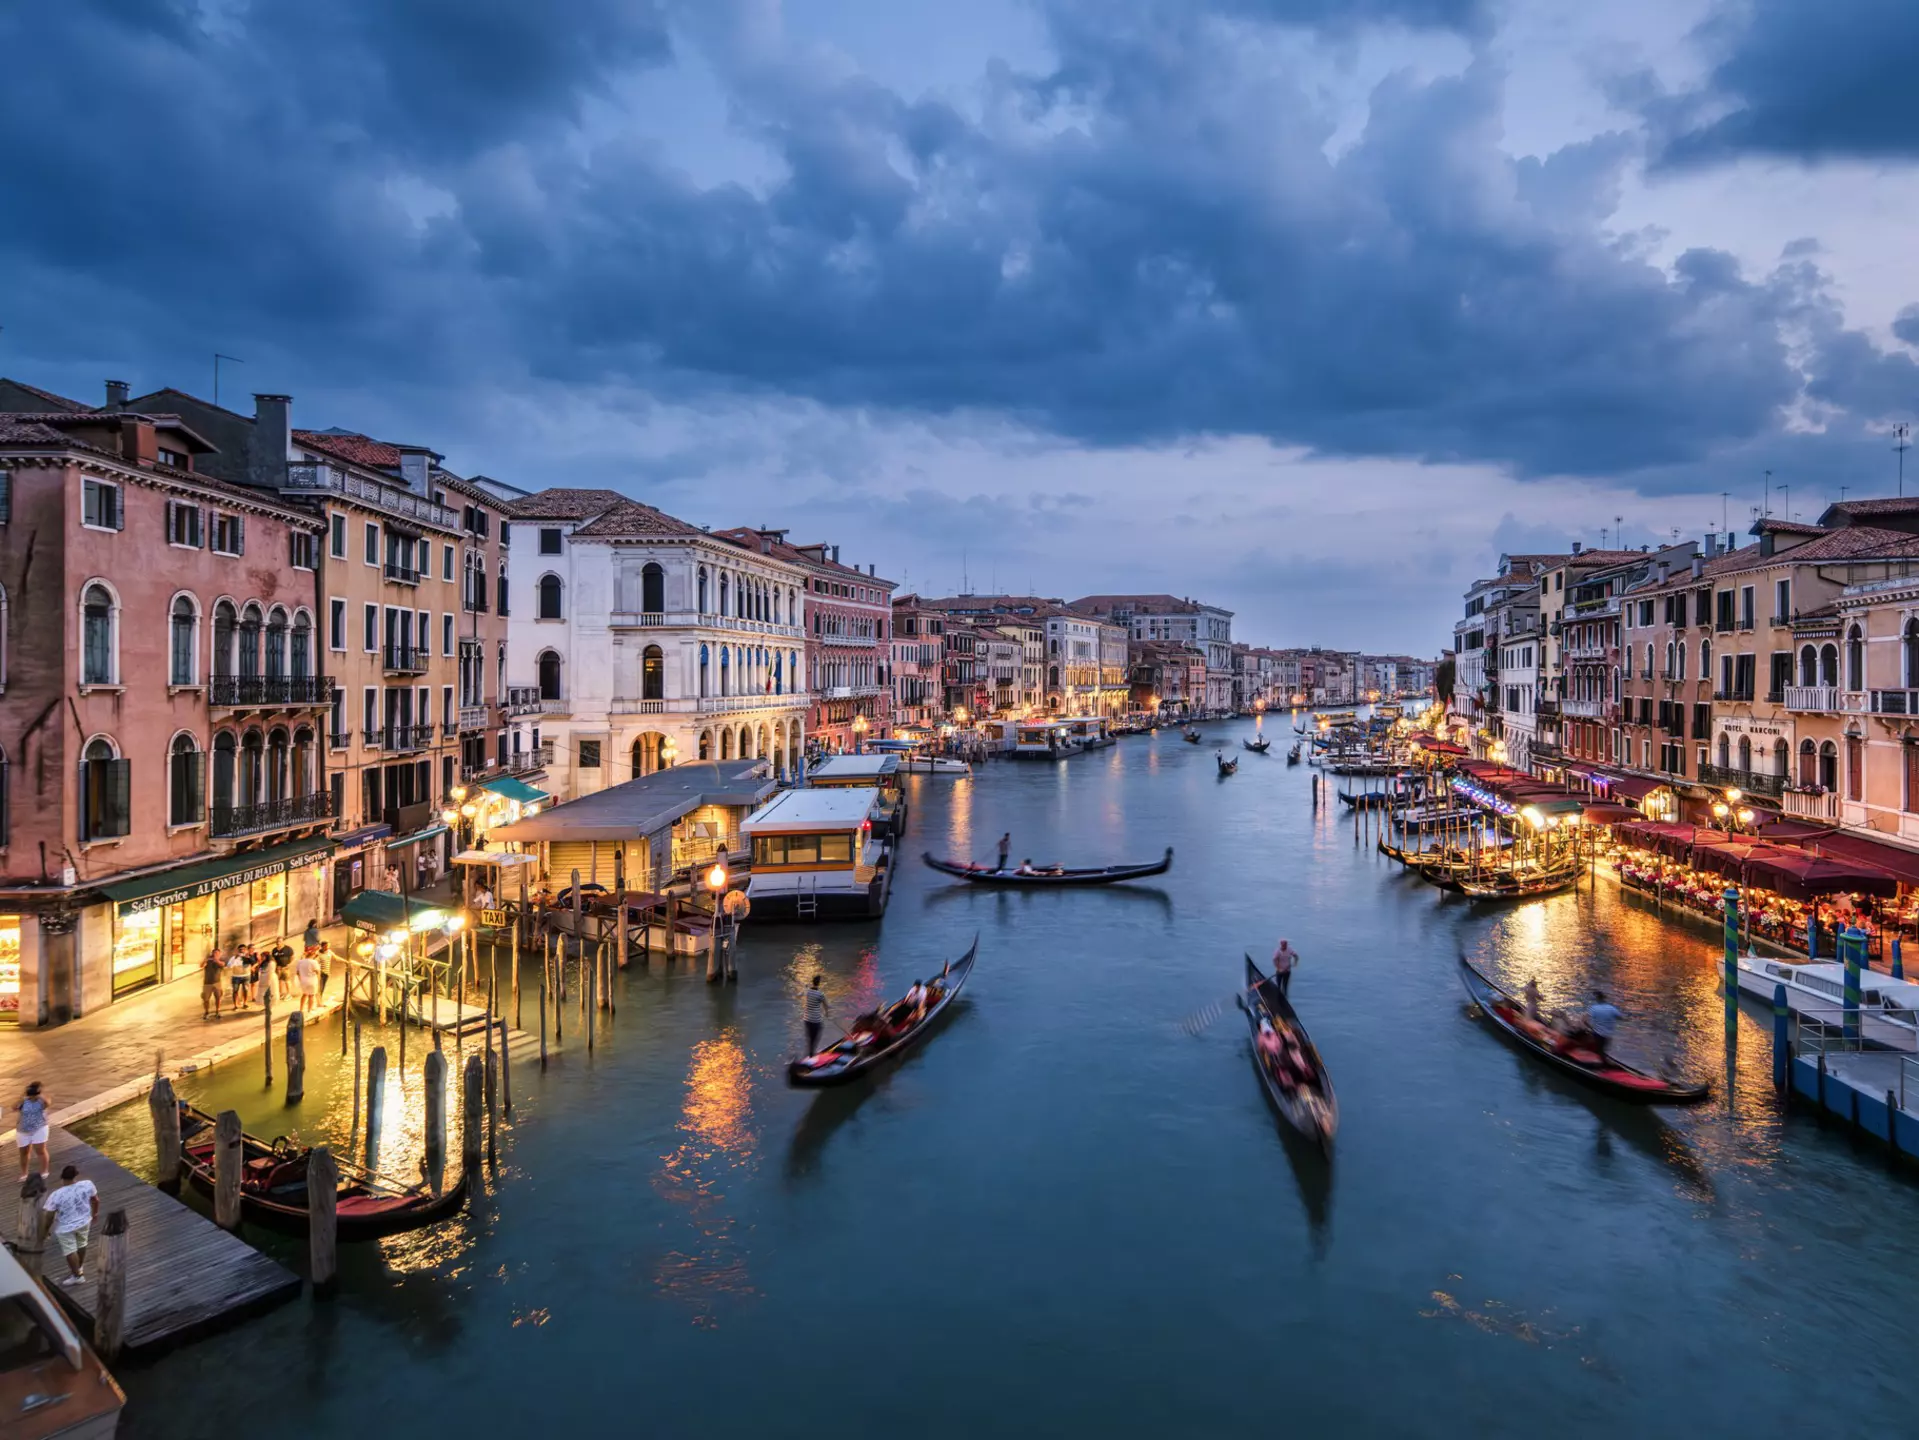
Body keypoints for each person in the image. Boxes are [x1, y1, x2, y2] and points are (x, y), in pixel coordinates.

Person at [40, 1163, 98, 1288]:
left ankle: (77, 1276)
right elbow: (95, 1200)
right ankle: (79, 1267)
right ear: (75, 1175)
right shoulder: (87, 1185)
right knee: (82, 1244)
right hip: (84, 1221)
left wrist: (45, 1230)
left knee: (70, 1250)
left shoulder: (56, 1195)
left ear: (62, 1177)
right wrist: (95, 1214)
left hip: (65, 1227)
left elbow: (49, 1216)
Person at [15, 1083, 49, 1180]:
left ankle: (44, 1171)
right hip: (23, 1129)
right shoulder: (24, 1101)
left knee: (40, 1150)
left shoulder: (41, 1101)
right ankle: (24, 1173)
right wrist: (22, 1097)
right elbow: (13, 1107)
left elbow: (48, 1104)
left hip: (39, 1128)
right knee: (24, 1152)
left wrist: (40, 1095)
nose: (32, 1096)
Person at [1586, 990, 1623, 1060]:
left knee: (1598, 1050)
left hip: (1597, 1034)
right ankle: (1603, 1059)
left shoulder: (1594, 1008)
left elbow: (1585, 1021)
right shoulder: (1611, 1008)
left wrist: (1591, 1028)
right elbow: (1621, 1018)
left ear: (1597, 999)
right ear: (1604, 998)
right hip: (1608, 1035)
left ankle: (1599, 1063)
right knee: (1603, 1050)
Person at [803, 974, 829, 1056]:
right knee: (815, 1037)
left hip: (806, 1019)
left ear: (813, 982)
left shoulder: (807, 992)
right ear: (819, 983)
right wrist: (827, 1013)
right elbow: (826, 1006)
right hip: (815, 1020)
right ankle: (812, 1053)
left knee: (810, 1038)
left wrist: (807, 986)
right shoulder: (821, 994)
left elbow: (807, 989)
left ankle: (810, 1052)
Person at [293, 947, 320, 1013]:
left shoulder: (300, 962)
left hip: (303, 981)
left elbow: (297, 972)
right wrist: (318, 980)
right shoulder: (314, 962)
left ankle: (301, 1009)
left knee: (304, 994)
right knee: (311, 995)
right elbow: (318, 972)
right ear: (313, 955)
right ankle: (309, 1010)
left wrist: (301, 979)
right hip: (312, 981)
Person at [201, 950, 225, 1020]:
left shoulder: (221, 961)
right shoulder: (208, 961)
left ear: (220, 954)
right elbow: (201, 966)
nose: (216, 954)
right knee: (206, 999)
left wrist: (216, 960)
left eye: (217, 953)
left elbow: (222, 964)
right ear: (212, 953)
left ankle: (217, 1011)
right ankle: (206, 1012)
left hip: (217, 983)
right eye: (214, 953)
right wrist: (205, 960)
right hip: (207, 983)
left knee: (218, 998)